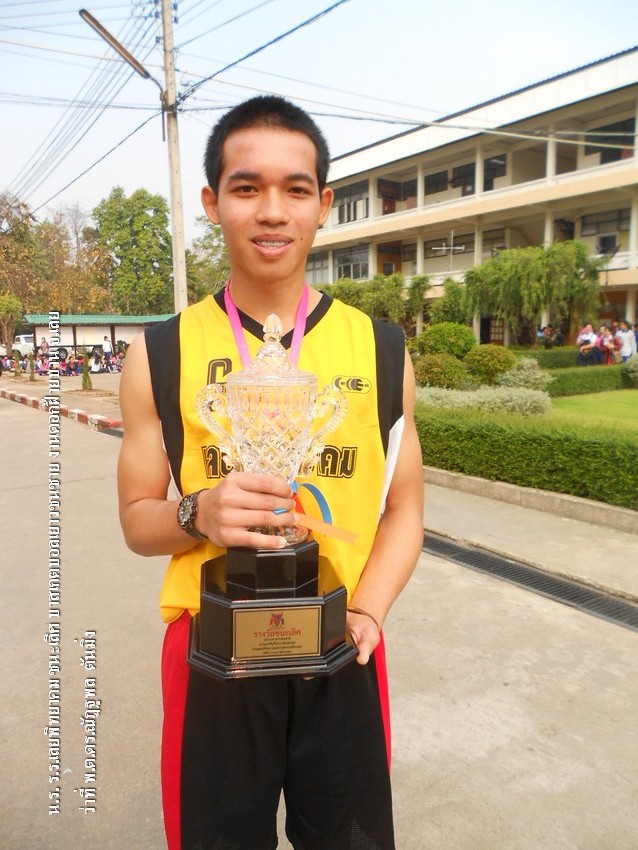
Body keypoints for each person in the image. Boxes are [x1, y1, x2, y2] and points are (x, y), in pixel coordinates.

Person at [117, 95, 424, 850]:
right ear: (212, 203)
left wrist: (369, 611)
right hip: (213, 649)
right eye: (247, 187)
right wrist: (198, 513)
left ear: (323, 205)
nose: (272, 211)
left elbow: (405, 509)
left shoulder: (381, 349)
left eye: (295, 189)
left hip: (341, 644)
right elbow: (136, 519)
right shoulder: (160, 352)